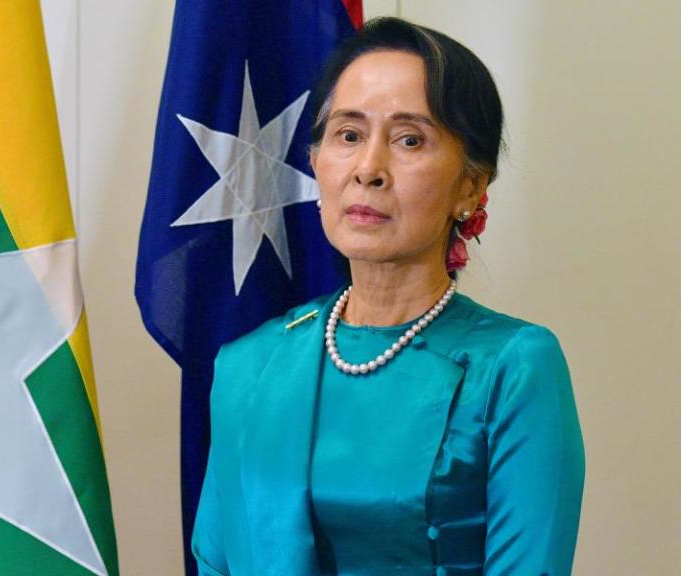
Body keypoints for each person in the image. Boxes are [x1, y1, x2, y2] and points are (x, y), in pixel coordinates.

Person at [191, 17, 585, 576]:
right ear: (316, 161)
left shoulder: (514, 367)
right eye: (348, 135)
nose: (368, 169)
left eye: (408, 140)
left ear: (471, 186)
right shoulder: (247, 366)